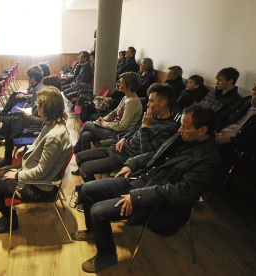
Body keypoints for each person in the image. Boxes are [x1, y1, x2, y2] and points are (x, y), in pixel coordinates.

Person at [71, 104, 221, 273]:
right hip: (143, 183)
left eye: (185, 127)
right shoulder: (182, 138)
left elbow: (181, 192)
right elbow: (153, 154)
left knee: (98, 211)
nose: (180, 130)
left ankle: (107, 255)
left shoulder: (209, 160)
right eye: (181, 125)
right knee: (87, 189)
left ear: (202, 130)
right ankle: (93, 230)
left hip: (160, 205)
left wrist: (136, 197)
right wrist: (131, 164)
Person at [0, 86, 72, 234]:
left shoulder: (54, 136)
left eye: (38, 104)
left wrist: (18, 176)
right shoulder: (53, 124)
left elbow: (41, 171)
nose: (35, 107)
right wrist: (26, 147)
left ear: (45, 108)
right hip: (36, 174)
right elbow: (40, 143)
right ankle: (7, 216)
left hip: (41, 186)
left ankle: (11, 221)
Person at [75, 83, 178, 182]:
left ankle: (93, 193)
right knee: (79, 157)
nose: (147, 104)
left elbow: (146, 153)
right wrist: (124, 138)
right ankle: (93, 189)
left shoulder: (169, 128)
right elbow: (134, 130)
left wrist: (145, 127)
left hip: (128, 157)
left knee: (85, 168)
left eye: (151, 101)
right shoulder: (152, 116)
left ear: (163, 103)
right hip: (120, 147)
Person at [0, 76, 61, 168]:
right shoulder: (51, 101)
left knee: (11, 123)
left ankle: (4, 143)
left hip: (34, 125)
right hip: (33, 120)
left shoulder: (52, 105)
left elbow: (44, 122)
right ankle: (4, 140)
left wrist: (30, 116)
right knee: (9, 119)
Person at [73, 72, 143, 156]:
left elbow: (122, 126)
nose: (119, 84)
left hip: (119, 134)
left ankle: (76, 148)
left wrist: (103, 123)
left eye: (121, 82)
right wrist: (103, 119)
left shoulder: (132, 102)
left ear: (129, 86)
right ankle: (82, 159)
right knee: (85, 135)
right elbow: (114, 112)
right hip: (113, 128)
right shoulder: (125, 97)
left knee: (87, 124)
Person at [216, 77, 256, 161]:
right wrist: (214, 130)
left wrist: (230, 140)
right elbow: (222, 116)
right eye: (254, 85)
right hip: (218, 136)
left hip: (234, 150)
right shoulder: (246, 100)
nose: (253, 88)